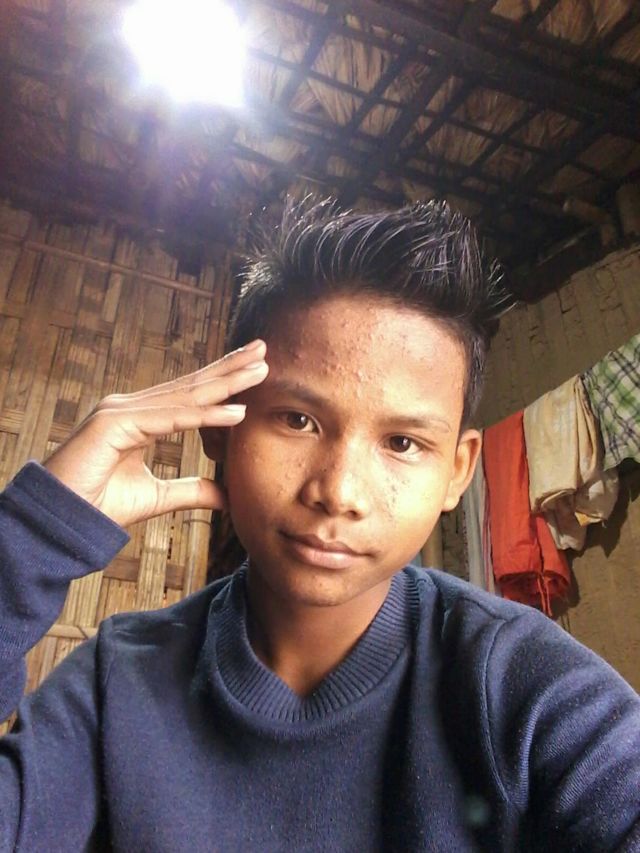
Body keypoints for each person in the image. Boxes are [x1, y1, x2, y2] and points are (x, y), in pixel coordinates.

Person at [0, 198, 638, 852]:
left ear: (457, 469)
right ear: (221, 424)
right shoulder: (116, 686)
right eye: (298, 420)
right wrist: (29, 540)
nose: (339, 492)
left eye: (402, 443)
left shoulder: (524, 688)